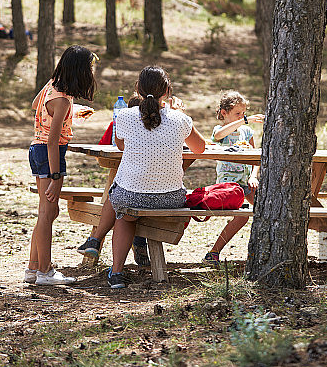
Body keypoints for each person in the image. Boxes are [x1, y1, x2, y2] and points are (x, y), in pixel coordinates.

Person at [78, 66, 206, 289]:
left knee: (123, 207)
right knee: (125, 202)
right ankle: (109, 252)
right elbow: (200, 149)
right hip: (171, 199)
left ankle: (116, 272)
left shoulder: (125, 116)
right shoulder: (180, 119)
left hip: (132, 197)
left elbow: (119, 145)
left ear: (137, 89)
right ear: (167, 90)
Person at [26, 46, 98, 285]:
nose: (92, 73)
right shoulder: (63, 101)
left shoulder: (52, 87)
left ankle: (33, 268)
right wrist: (57, 176)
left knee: (47, 212)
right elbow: (53, 140)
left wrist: (70, 113)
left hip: (37, 150)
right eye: (90, 68)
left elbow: (38, 104)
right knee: (48, 213)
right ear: (80, 71)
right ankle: (45, 272)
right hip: (50, 154)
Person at [81, 94, 151, 267]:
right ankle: (140, 246)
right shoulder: (153, 126)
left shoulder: (119, 123)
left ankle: (95, 241)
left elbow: (102, 155)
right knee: (126, 197)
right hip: (154, 189)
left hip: (130, 186)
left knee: (118, 194)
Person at [202, 91, 265, 267]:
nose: (242, 117)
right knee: (242, 217)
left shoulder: (247, 132)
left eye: (243, 113)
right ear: (224, 113)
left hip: (246, 182)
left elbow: (255, 157)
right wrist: (246, 120)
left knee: (266, 207)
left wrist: (254, 176)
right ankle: (213, 252)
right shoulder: (219, 131)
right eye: (238, 113)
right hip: (228, 184)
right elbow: (219, 136)